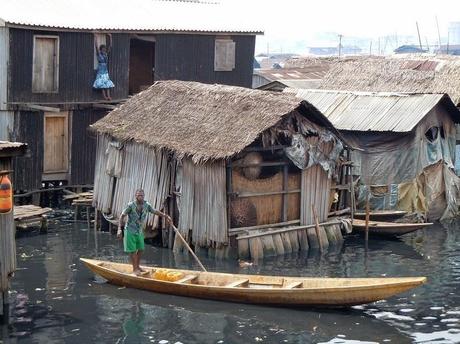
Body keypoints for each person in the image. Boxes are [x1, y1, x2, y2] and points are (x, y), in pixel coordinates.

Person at [117, 189, 171, 275]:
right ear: (136, 196)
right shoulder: (130, 206)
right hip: (130, 230)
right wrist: (119, 229)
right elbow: (122, 216)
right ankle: (135, 269)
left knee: (141, 249)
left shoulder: (146, 205)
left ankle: (138, 267)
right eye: (139, 195)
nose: (140, 197)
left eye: (142, 195)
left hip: (139, 231)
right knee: (133, 251)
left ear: (144, 196)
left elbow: (154, 211)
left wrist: (165, 216)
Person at [93, 36, 115, 100]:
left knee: (107, 84)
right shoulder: (99, 54)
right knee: (102, 85)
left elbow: (110, 46)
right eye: (103, 49)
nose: (104, 50)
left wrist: (110, 37)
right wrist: (96, 38)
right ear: (100, 50)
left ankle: (108, 96)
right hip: (100, 72)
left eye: (105, 49)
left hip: (105, 71)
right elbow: (96, 47)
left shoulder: (106, 54)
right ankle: (105, 97)